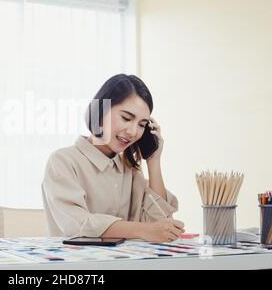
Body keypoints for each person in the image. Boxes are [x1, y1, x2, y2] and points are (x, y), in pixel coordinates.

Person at [41, 74, 185, 242]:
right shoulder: (63, 161)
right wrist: (143, 230)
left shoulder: (130, 170)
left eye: (142, 125)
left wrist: (154, 160)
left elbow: (160, 227)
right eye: (126, 118)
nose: (133, 132)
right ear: (100, 112)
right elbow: (77, 224)